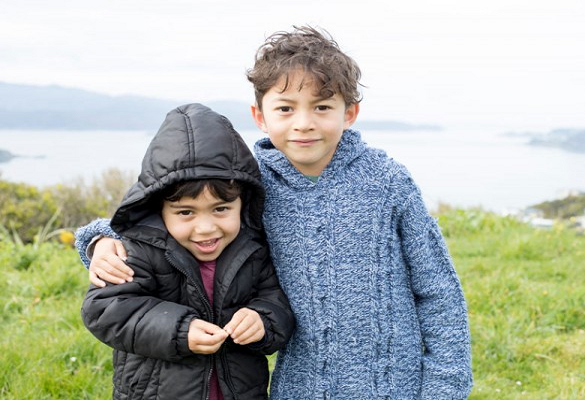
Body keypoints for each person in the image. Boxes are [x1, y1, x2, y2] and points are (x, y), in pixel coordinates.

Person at [76, 26, 472, 399]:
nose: (304, 123)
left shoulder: (388, 181)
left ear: (349, 113)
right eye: (285, 108)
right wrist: (98, 240)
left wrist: (445, 385)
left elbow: (439, 291)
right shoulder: (248, 183)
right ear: (260, 116)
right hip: (297, 385)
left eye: (321, 106)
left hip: (394, 383)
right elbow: (157, 213)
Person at [78, 103, 294, 400]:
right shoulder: (138, 250)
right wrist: (180, 329)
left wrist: (262, 320)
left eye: (221, 209)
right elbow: (106, 309)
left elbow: (278, 301)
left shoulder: (253, 249)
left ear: (243, 202)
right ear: (159, 208)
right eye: (186, 213)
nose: (205, 228)